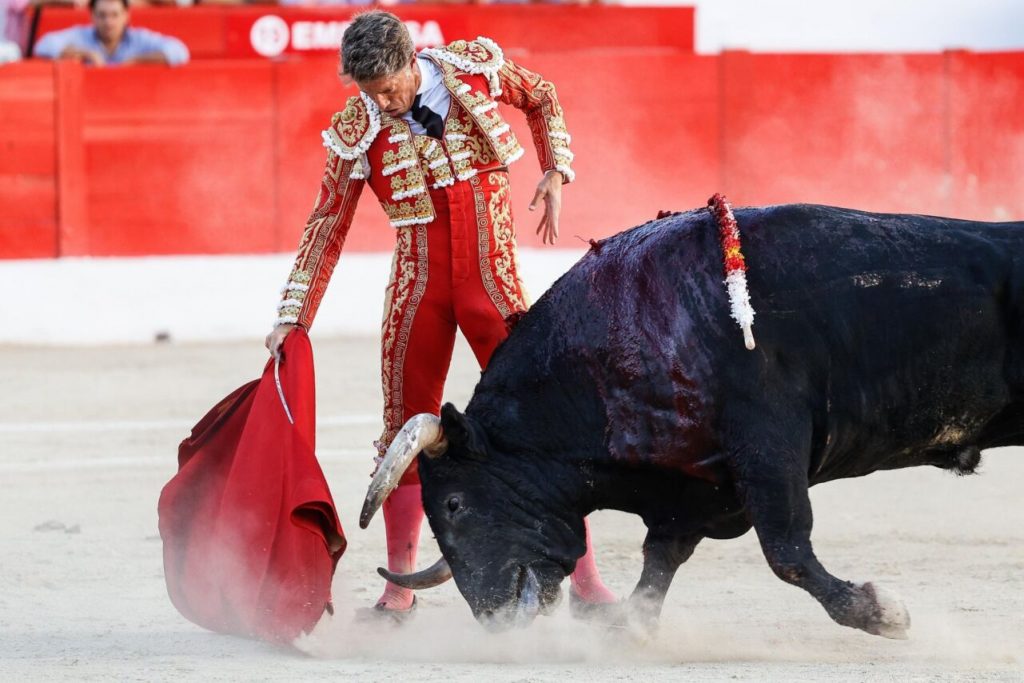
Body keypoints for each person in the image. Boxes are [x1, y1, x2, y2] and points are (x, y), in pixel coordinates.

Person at [265, 10, 615, 620]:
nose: (385, 103)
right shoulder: (357, 125)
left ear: (410, 60)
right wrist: (293, 316)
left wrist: (555, 167)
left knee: (542, 422)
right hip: (416, 288)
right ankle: (398, 592)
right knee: (402, 427)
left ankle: (587, 583)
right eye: (369, 94)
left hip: (493, 281)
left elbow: (542, 95)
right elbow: (327, 225)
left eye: (390, 89)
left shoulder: (472, 70)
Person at [33, 0, 188, 66]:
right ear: (92, 16)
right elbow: (44, 45)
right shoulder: (81, 35)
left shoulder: (139, 38)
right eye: (102, 15)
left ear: (126, 15)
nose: (109, 22)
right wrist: (86, 54)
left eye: (114, 15)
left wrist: (135, 61)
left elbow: (179, 51)